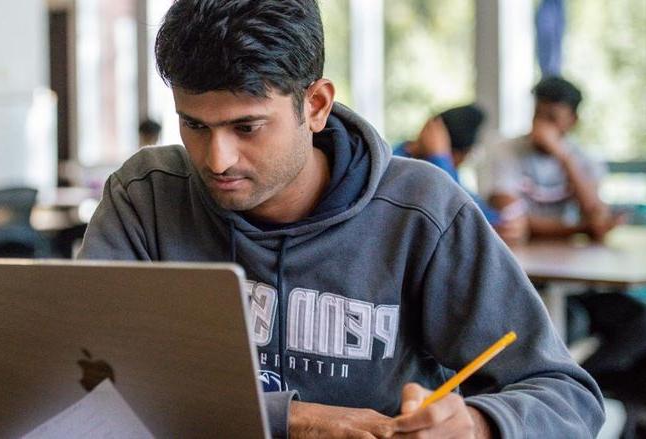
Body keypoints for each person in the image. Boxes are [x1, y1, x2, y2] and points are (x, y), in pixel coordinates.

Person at [79, 1, 604, 437]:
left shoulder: (422, 211)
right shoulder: (146, 196)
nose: (217, 159)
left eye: (247, 127)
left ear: (316, 105)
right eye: (193, 125)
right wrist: (292, 419)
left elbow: (567, 396)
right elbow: (84, 378)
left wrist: (479, 425)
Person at [479, 76, 621, 242]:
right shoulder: (505, 149)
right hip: (522, 254)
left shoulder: (586, 158)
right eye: (537, 115)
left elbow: (595, 214)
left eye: (552, 118)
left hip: (568, 257)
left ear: (573, 121)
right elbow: (512, 222)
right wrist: (582, 228)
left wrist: (563, 158)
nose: (541, 125)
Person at [392, 105, 527, 245]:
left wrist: (510, 223)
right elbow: (461, 212)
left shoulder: (442, 170)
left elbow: (486, 217)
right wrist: (440, 158)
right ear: (460, 154)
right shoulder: (397, 167)